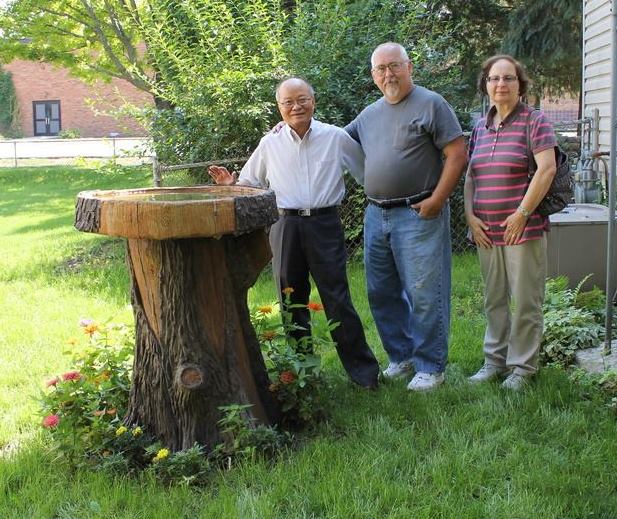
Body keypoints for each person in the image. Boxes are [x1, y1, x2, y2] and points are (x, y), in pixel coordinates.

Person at [208, 77, 380, 389]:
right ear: (280, 107)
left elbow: (368, 174)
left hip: (325, 225)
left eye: (302, 99)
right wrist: (230, 186)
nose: (295, 106)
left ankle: (364, 375)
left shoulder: (335, 137)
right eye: (288, 102)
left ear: (313, 101)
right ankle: (303, 373)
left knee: (337, 299)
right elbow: (252, 184)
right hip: (284, 227)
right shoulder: (269, 143)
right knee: (291, 301)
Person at [345, 42, 467, 391]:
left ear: (409, 67)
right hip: (375, 215)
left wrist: (437, 200)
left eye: (394, 66)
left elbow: (457, 153)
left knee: (424, 292)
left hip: (419, 214)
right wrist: (290, 129)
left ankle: (432, 366)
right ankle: (402, 356)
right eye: (381, 69)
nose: (388, 74)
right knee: (381, 292)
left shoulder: (431, 103)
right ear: (373, 75)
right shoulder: (369, 115)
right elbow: (334, 142)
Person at [464, 55, 557, 390]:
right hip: (486, 230)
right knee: (494, 299)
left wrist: (521, 214)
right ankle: (494, 361)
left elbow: (547, 169)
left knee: (526, 299)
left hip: (523, 229)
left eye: (508, 78)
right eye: (493, 79)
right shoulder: (479, 125)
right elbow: (471, 175)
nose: (500, 84)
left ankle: (523, 367)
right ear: (485, 85)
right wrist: (470, 216)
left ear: (521, 84)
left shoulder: (535, 121)